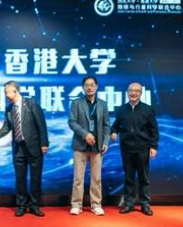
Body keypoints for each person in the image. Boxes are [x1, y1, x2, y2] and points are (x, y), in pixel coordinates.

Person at [0, 81, 49, 217]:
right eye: (5, 92)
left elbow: (41, 125)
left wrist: (44, 143)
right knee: (20, 178)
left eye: (7, 92)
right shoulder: (9, 109)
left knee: (35, 177)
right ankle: (21, 205)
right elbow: (6, 128)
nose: (6, 95)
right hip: (18, 148)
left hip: (34, 147)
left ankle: (34, 205)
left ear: (15, 91)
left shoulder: (31, 104)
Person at [111, 82, 159, 216]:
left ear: (141, 93)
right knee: (129, 178)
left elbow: (154, 130)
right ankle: (129, 204)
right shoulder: (121, 110)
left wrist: (154, 146)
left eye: (137, 91)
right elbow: (115, 126)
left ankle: (145, 205)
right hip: (126, 149)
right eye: (131, 91)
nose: (134, 93)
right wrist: (113, 132)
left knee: (144, 178)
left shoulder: (148, 110)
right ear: (127, 93)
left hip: (143, 149)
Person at [68, 75, 110, 216]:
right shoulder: (76, 103)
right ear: (83, 87)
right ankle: (76, 205)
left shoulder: (102, 104)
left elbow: (106, 125)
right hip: (80, 145)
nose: (89, 87)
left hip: (97, 146)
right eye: (87, 85)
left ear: (96, 87)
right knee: (78, 178)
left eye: (92, 85)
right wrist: (85, 134)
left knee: (96, 178)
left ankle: (96, 205)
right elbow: (72, 122)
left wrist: (105, 142)